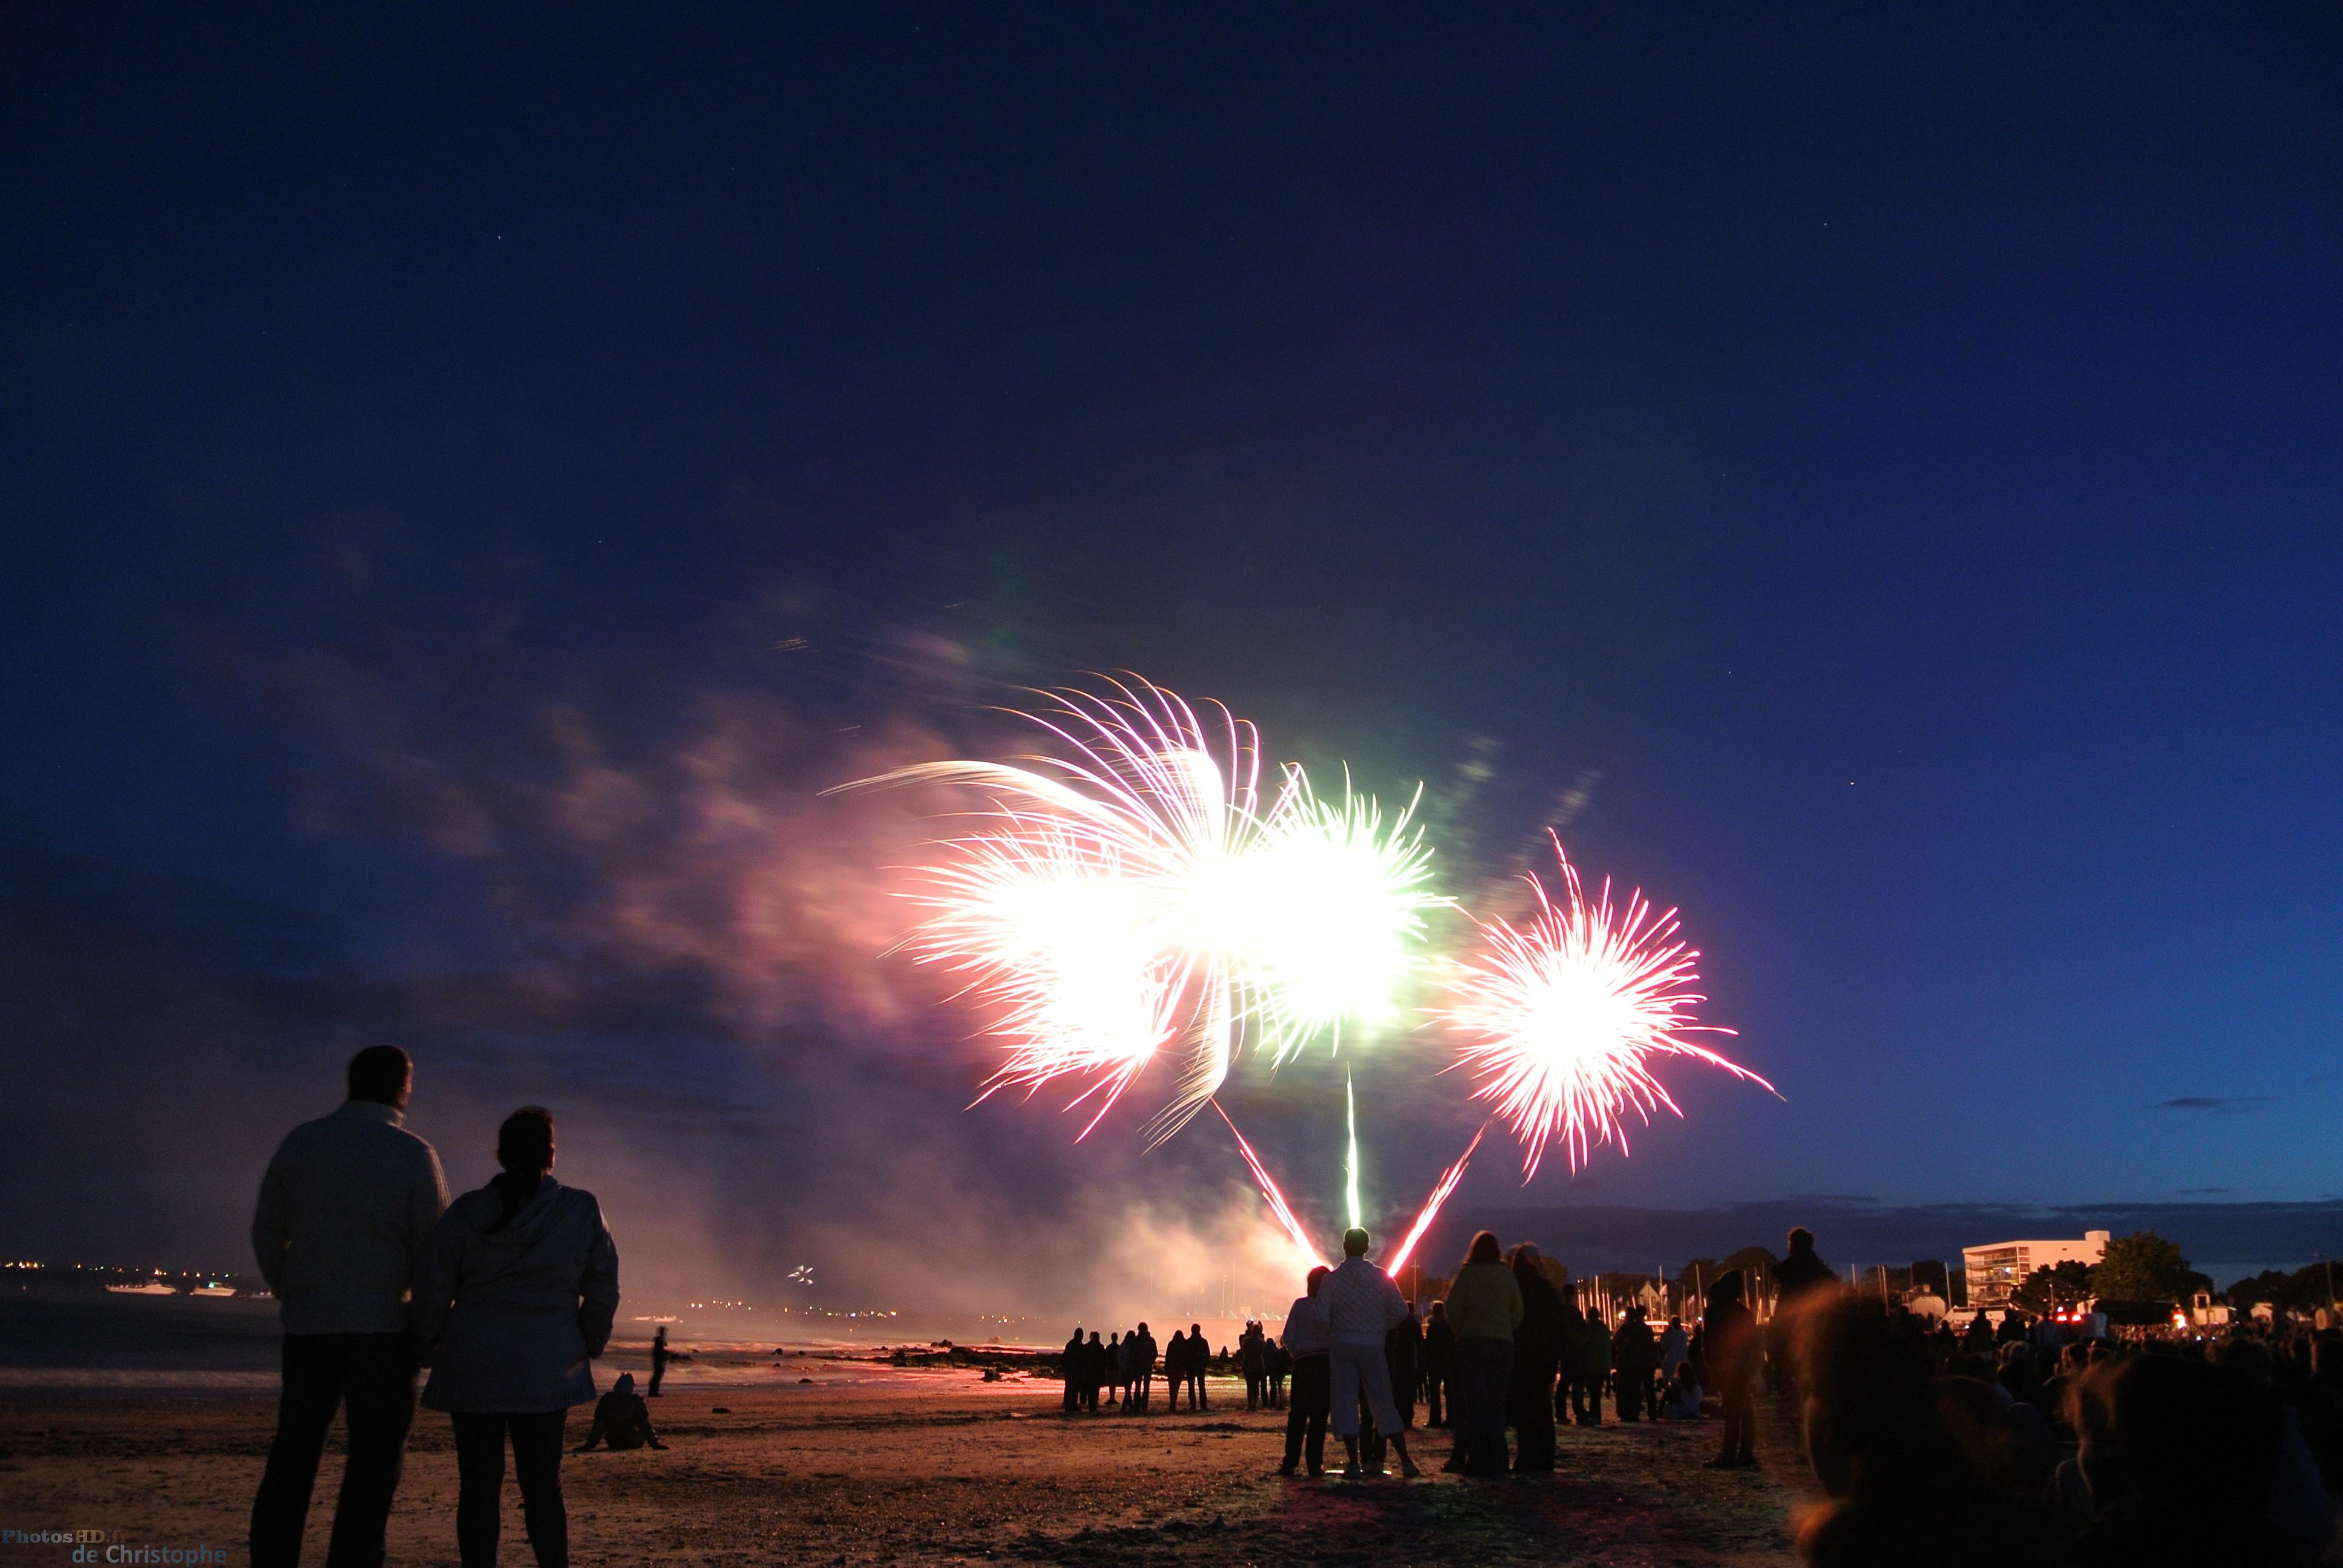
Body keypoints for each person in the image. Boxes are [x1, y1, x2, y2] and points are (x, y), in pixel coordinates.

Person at [249, 1045, 450, 1568]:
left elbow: (268, 1231)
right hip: (384, 1328)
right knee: (374, 1464)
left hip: (311, 1328)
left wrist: (291, 1288)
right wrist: (428, 1330)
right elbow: (433, 1253)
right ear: (402, 1088)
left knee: (294, 1453)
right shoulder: (413, 1154)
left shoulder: (302, 1143)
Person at [415, 1107, 619, 1568]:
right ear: (551, 1155)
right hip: (547, 1365)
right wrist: (588, 1343)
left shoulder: (467, 1211)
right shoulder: (579, 1209)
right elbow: (604, 1286)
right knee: (543, 1485)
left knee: (478, 1486)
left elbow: (433, 1285)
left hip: (472, 1362)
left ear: (502, 1155)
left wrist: (429, 1342)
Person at [1322, 1229, 1419, 1478]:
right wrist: (1380, 1328)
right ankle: (1406, 1461)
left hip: (1343, 1346)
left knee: (1346, 1403)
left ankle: (1354, 1463)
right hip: (1374, 1346)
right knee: (1383, 1401)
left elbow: (1321, 1316)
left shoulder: (1331, 1280)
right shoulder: (1382, 1278)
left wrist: (1337, 1329)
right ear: (1367, 1248)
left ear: (1344, 1246)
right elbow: (1400, 1311)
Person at [1442, 1231, 1524, 1477]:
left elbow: (1451, 1309)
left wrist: (1462, 1331)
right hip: (1502, 1345)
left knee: (1475, 1404)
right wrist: (1505, 1330)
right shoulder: (1507, 1276)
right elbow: (1518, 1311)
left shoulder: (1467, 1275)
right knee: (1498, 1404)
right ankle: (1498, 1460)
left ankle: (1476, 1461)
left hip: (1472, 1344)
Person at [1507, 1245, 1565, 1472]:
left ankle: (1527, 1456)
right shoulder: (1546, 1289)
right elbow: (1557, 1325)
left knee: (1524, 1408)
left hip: (1522, 1355)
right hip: (1544, 1357)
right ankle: (1545, 1455)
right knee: (1542, 1407)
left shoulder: (1515, 1287)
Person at [1703, 1270, 1760, 1469]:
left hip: (1725, 1367)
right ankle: (1746, 1454)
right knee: (1747, 1411)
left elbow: (1709, 1341)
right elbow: (1754, 1345)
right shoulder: (1745, 1314)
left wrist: (1713, 1364)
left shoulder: (1714, 1310)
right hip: (1742, 1367)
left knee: (1732, 1412)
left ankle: (1728, 1455)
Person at [1279, 1266, 1331, 1477]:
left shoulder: (1300, 1306)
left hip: (1304, 1365)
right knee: (1319, 1417)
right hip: (1326, 1365)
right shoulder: (1331, 1307)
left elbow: (1288, 1337)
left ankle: (1290, 1463)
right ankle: (1314, 1465)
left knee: (1298, 1416)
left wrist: (1297, 1354)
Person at [572, 1373, 664, 1453]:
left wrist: (589, 1445)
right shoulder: (636, 1401)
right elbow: (644, 1425)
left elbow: (598, 1426)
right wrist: (655, 1444)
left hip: (613, 1442)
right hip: (632, 1442)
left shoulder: (607, 1399)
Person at [1613, 1303, 1656, 1422]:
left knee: (1631, 1388)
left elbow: (1618, 1341)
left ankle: (1629, 1412)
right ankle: (1651, 1413)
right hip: (1646, 1361)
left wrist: (1620, 1349)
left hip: (1631, 1361)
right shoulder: (1647, 1329)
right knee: (1647, 1388)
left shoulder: (1629, 1328)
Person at [1385, 1302, 1421, 1431]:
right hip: (1408, 1359)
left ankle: (1397, 1417)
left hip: (1395, 1357)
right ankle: (1407, 1418)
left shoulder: (1392, 1318)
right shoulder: (1412, 1321)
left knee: (1396, 1390)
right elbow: (1419, 1339)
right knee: (1408, 1390)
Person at [1420, 1301, 1454, 1428]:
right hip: (1448, 1362)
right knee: (1450, 1392)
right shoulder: (1450, 1327)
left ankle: (1435, 1419)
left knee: (1434, 1393)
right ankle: (1452, 1418)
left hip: (1434, 1363)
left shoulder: (1433, 1327)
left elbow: (1428, 1346)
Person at [1130, 1321, 1158, 1411]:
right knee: (1146, 1386)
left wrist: (1133, 1363)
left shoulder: (1135, 1341)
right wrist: (1151, 1361)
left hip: (1138, 1366)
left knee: (1138, 1386)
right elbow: (1156, 1354)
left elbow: (1132, 1354)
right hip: (1147, 1366)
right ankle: (1144, 1405)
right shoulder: (1151, 1340)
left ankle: (1137, 1405)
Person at [1239, 1321, 1267, 1411]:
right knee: (1256, 1386)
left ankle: (1249, 1405)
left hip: (1248, 1364)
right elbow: (1262, 1352)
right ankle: (1254, 1405)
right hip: (1258, 1365)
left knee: (1249, 1386)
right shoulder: (1261, 1342)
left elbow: (1243, 1350)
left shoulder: (1246, 1341)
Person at [1163, 1328, 1189, 1411]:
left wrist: (1166, 1369)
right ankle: (1173, 1402)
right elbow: (1186, 1357)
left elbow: (1168, 1357)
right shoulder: (1185, 1344)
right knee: (1177, 1387)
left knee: (1172, 1387)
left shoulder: (1171, 1344)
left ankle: (1172, 1402)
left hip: (1171, 1368)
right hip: (1180, 1368)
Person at [1185, 1323, 1209, 1410]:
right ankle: (1203, 1405)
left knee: (1191, 1387)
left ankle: (1193, 1405)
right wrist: (1205, 1364)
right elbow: (1207, 1355)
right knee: (1202, 1386)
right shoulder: (1203, 1341)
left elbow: (1185, 1355)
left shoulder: (1188, 1342)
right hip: (1200, 1366)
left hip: (1190, 1367)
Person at [1061, 1327, 1085, 1414]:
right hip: (1077, 1370)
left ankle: (1068, 1404)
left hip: (1069, 1370)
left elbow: (1065, 1358)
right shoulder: (1080, 1346)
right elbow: (1083, 1359)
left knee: (1069, 1387)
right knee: (1075, 1388)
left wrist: (1065, 1367)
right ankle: (1073, 1405)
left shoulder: (1070, 1344)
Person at [647, 1326, 672, 1398]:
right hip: (659, 1361)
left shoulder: (660, 1340)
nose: (665, 1333)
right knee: (657, 1376)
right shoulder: (660, 1340)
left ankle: (653, 1391)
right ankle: (653, 1392)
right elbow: (659, 1351)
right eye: (664, 1331)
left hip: (660, 1361)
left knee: (657, 1376)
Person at [1267, 1339, 1291, 1409]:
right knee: (1280, 1387)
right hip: (1284, 1371)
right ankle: (1282, 1403)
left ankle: (1278, 1403)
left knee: (1277, 1386)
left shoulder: (1279, 1352)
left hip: (1279, 1371)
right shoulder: (1287, 1352)